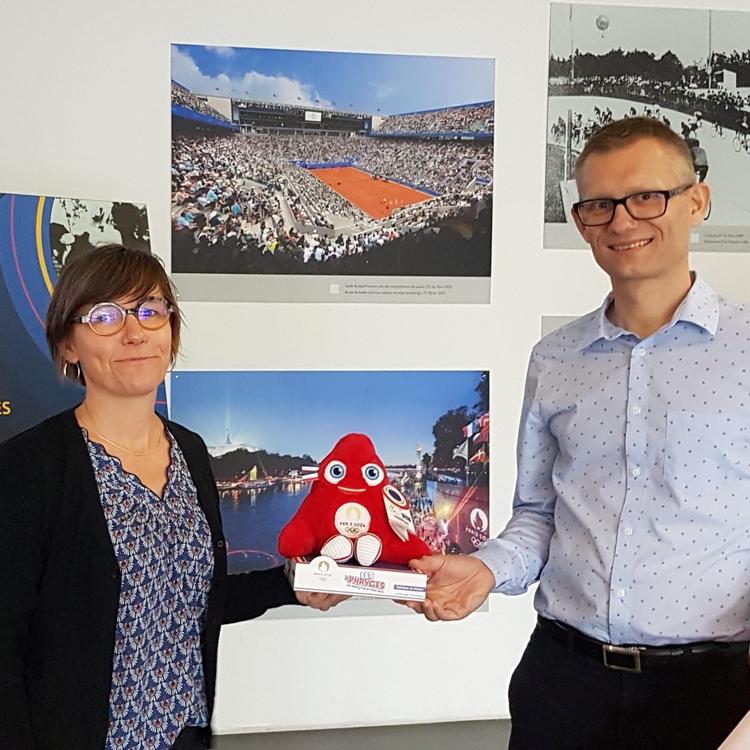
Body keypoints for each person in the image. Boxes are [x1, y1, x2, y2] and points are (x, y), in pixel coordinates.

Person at [408, 117, 750, 749]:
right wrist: (484, 570)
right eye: (598, 205)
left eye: (647, 196)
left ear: (697, 200)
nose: (622, 222)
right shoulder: (555, 358)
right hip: (563, 683)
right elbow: (539, 512)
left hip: (714, 692)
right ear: (580, 220)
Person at [0, 244, 343, 750]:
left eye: (150, 310)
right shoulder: (30, 467)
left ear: (171, 330)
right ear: (68, 345)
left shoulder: (190, 450)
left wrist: (295, 582)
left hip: (187, 733)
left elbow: (193, 600)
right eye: (105, 315)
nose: (135, 331)